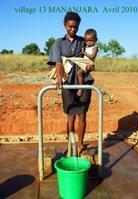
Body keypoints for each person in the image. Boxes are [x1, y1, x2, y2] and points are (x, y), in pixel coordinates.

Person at [47, 12, 95, 155]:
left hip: (83, 81)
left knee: (82, 115)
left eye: (76, 27)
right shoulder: (58, 42)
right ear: (65, 26)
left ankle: (80, 145)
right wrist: (59, 79)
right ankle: (71, 143)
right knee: (70, 115)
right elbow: (58, 62)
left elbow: (91, 57)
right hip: (67, 82)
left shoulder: (83, 41)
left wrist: (91, 65)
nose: (73, 30)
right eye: (70, 27)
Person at [77, 28, 98, 96]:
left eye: (91, 40)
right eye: (87, 41)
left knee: (79, 73)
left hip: (89, 63)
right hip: (84, 62)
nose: (89, 42)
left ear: (96, 40)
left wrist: (84, 52)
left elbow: (92, 57)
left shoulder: (95, 47)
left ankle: (81, 88)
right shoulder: (86, 46)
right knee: (79, 73)